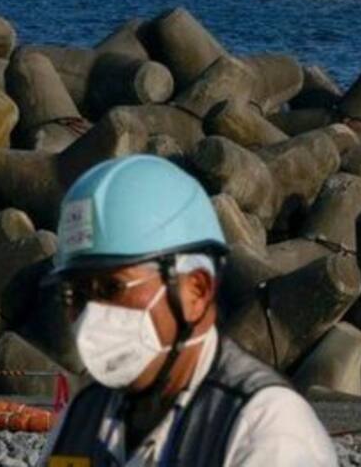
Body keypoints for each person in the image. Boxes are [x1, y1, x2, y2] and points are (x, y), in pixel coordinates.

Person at [39, 154, 337, 467]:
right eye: (74, 294)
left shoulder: (262, 428)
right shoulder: (82, 416)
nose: (91, 317)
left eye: (112, 288)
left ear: (197, 289)